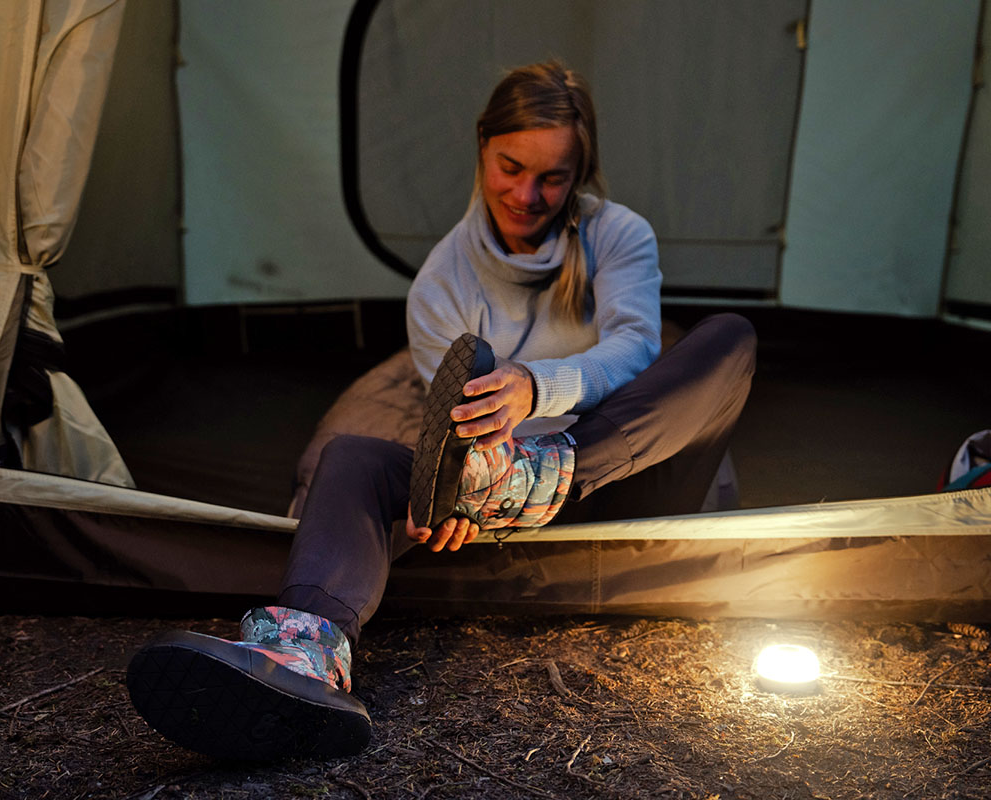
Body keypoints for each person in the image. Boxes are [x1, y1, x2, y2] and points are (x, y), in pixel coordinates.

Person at [126, 60, 756, 761]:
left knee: (729, 339)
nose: (527, 194)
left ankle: (531, 475)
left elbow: (635, 350)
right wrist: (450, 478)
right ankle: (301, 660)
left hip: (620, 473)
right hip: (499, 489)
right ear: (482, 146)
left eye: (553, 177)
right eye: (511, 167)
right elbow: (453, 414)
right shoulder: (440, 284)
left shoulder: (618, 235)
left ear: (581, 171)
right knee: (352, 458)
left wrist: (535, 386)